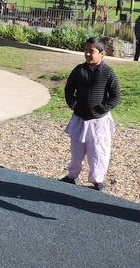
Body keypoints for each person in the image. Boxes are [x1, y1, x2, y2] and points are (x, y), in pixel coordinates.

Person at [59, 36, 120, 192]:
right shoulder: (79, 70)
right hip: (80, 117)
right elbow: (68, 90)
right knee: (77, 150)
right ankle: (72, 176)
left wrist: (101, 109)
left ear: (102, 53)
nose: (87, 54)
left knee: (98, 151)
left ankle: (97, 180)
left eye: (91, 51)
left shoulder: (108, 73)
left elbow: (115, 96)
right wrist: (73, 104)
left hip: (99, 121)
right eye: (85, 51)